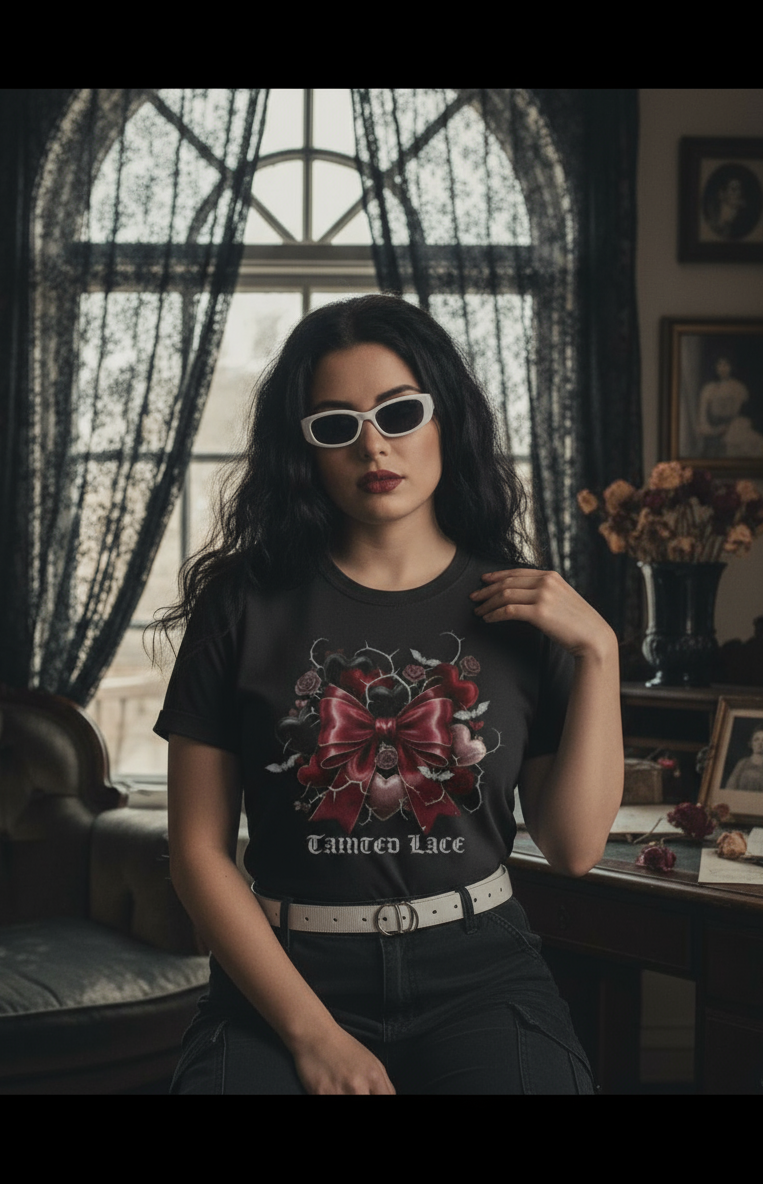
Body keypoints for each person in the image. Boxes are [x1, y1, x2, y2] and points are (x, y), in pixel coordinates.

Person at [152, 294, 623, 1095]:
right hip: (286, 977)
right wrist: (312, 1037)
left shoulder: (528, 608)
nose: (374, 445)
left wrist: (601, 653)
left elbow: (573, 848)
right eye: (336, 425)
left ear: (447, 417)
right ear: (306, 452)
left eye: (399, 412)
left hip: (480, 975)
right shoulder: (240, 604)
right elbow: (196, 853)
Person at [725, 727, 763, 793]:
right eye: (756, 739)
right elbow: (730, 785)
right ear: (751, 743)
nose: (760, 743)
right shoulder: (742, 763)